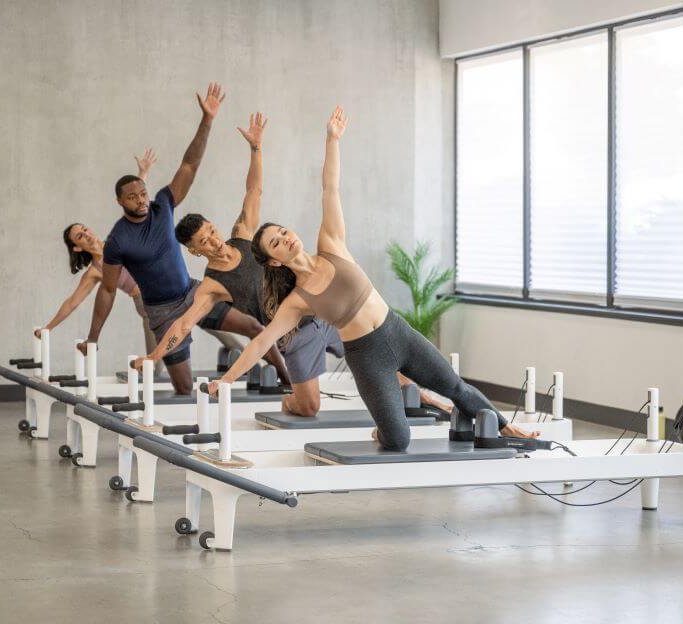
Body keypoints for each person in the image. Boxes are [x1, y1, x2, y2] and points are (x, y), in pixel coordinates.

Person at [209, 107, 538, 450]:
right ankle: (382, 429)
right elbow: (262, 342)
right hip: (367, 356)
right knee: (397, 439)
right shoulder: (298, 301)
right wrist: (227, 379)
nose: (286, 238)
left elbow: (329, 189)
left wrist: (332, 139)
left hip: (397, 331)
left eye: (283, 231)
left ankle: (506, 428)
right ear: (274, 261)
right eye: (276, 242)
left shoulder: (331, 244)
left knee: (456, 387)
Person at [134, 113, 327, 412]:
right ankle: (290, 401)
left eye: (211, 231)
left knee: (373, 343)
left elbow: (254, 191)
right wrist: (154, 356)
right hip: (291, 333)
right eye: (204, 242)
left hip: (317, 305)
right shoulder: (212, 285)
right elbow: (183, 325)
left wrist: (256, 149)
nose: (213, 240)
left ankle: (415, 391)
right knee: (309, 406)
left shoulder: (243, 236)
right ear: (195, 251)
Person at [80, 82, 262, 394]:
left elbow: (189, 164)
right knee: (183, 387)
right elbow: (107, 291)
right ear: (120, 202)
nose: (140, 200)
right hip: (162, 311)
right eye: (132, 197)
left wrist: (207, 121)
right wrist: (93, 339)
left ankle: (280, 378)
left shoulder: (162, 204)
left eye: (142, 193)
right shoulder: (117, 241)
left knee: (253, 327)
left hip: (192, 293)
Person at [37, 151, 240, 377]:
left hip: (175, 291)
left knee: (208, 317)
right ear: (77, 248)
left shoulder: (117, 240)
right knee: (160, 350)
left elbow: (136, 205)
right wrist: (49, 328)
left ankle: (240, 355)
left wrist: (142, 172)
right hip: (149, 304)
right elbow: (72, 303)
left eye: (84, 229)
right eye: (80, 237)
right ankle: (153, 382)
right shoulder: (96, 271)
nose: (87, 234)